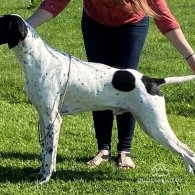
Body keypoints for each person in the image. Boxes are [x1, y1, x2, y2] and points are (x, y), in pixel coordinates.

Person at [27, 0, 195, 169]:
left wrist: (191, 57)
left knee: (129, 87)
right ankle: (103, 148)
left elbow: (165, 18)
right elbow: (55, 2)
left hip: (132, 23)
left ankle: (124, 150)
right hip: (95, 23)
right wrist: (25, 27)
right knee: (95, 86)